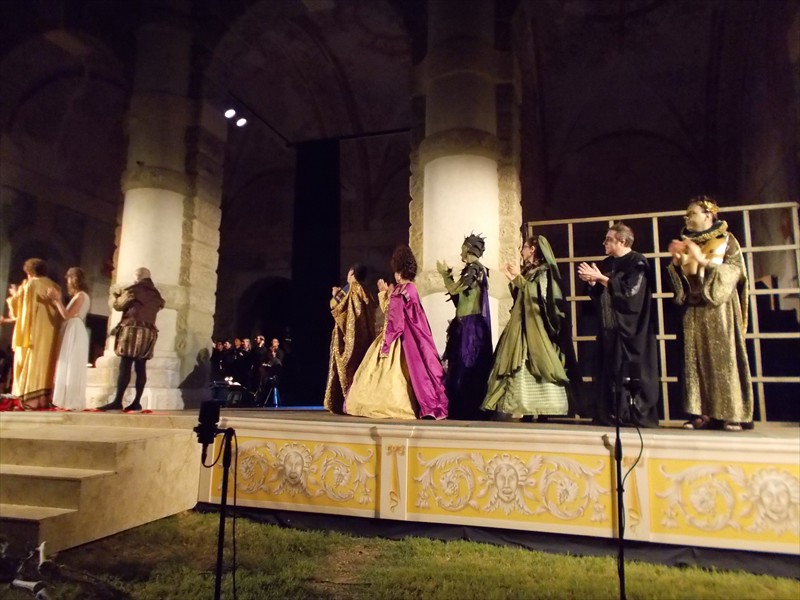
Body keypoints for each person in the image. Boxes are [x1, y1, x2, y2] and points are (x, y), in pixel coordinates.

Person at [666, 196, 753, 431]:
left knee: (722, 359)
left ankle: (731, 413)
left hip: (719, 308)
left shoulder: (726, 240)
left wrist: (702, 259)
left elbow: (735, 271)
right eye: (686, 215)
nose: (687, 218)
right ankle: (700, 412)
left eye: (692, 213)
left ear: (708, 215)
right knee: (694, 361)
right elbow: (682, 280)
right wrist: (677, 264)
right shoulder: (687, 242)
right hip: (694, 308)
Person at [346, 245, 448, 419]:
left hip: (401, 340)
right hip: (414, 338)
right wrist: (387, 294)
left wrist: (385, 345)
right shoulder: (410, 289)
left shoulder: (401, 292)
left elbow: (394, 320)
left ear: (398, 273)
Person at [482, 236, 578, 419]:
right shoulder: (530, 271)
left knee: (537, 361)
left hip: (534, 326)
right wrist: (514, 279)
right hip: (521, 323)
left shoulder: (544, 271)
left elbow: (539, 295)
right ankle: (523, 408)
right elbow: (522, 293)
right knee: (516, 362)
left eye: (524, 247)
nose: (522, 251)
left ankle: (541, 410)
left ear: (533, 249)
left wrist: (518, 279)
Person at [578, 223, 659, 428]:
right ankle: (609, 413)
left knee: (627, 373)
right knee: (607, 372)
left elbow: (631, 294)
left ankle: (630, 415)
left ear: (622, 241)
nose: (604, 243)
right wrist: (593, 283)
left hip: (630, 332)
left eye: (609, 239)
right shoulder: (607, 263)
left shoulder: (637, 262)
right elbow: (599, 295)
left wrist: (602, 279)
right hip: (608, 329)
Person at [436, 234, 493, 420]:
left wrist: (445, 274)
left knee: (466, 364)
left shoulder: (474, 269)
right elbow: (460, 299)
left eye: (463, 247)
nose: (460, 250)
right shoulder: (475, 270)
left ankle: (466, 406)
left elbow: (455, 289)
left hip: (470, 328)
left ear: (468, 248)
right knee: (463, 364)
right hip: (467, 324)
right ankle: (465, 406)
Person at [97, 267, 165, 411]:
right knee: (141, 367)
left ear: (137, 277)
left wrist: (117, 296)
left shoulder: (133, 290)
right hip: (149, 332)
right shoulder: (156, 294)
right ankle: (137, 402)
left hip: (132, 330)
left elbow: (118, 306)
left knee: (125, 365)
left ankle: (118, 401)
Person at [7, 258, 62, 409]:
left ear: (29, 272)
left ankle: (28, 401)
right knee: (46, 366)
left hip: (33, 334)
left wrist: (14, 296)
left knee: (30, 363)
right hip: (51, 334)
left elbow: (21, 311)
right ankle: (43, 399)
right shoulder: (55, 286)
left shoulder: (30, 284)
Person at [324, 264, 376, 414]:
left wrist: (335, 294)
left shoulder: (351, 287)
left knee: (345, 370)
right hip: (365, 339)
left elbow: (336, 306)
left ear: (352, 272)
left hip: (348, 339)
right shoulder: (366, 290)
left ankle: (345, 403)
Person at [47, 267, 91, 410]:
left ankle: (71, 400)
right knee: (67, 363)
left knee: (71, 364)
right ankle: (64, 399)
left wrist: (57, 300)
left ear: (74, 279)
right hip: (73, 329)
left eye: (69, 279)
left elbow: (67, 315)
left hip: (75, 330)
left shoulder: (81, 296)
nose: (67, 282)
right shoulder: (79, 295)